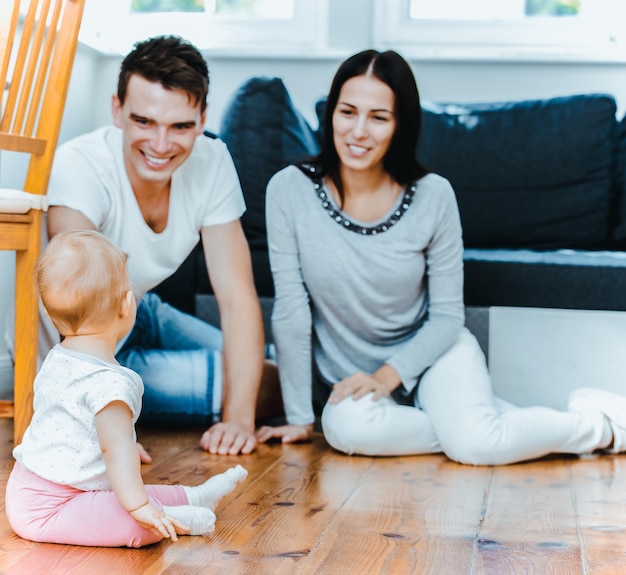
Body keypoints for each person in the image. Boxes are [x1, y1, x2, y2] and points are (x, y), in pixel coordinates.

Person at [256, 48, 626, 464]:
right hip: (350, 383)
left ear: (401, 125)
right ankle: (475, 422)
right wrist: (300, 417)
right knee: (346, 428)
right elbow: (290, 309)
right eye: (347, 112)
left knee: (475, 446)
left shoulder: (433, 195)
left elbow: (448, 317)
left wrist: (386, 377)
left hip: (436, 354)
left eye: (379, 117)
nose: (359, 131)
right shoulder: (289, 190)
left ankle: (600, 425)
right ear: (331, 116)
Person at [43, 35, 281, 456]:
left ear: (203, 119)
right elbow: (74, 310)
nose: (160, 145)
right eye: (144, 122)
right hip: (81, 346)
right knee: (265, 386)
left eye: (181, 126)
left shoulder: (213, 161)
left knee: (276, 375)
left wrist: (239, 421)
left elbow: (238, 297)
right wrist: (100, 426)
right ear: (117, 110)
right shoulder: (80, 164)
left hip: (141, 309)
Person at [6, 230, 248, 547]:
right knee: (137, 520)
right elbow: (117, 451)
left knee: (134, 495)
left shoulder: (57, 358)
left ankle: (195, 496)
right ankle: (182, 521)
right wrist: (140, 509)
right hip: (52, 509)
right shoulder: (112, 383)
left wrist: (139, 499)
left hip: (27, 492)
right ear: (126, 305)